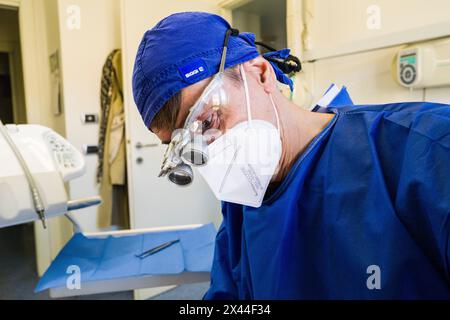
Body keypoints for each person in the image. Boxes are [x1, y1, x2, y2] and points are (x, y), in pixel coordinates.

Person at [132, 12, 450, 299]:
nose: (211, 152)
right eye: (189, 148)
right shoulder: (242, 206)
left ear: (259, 74)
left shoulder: (426, 149)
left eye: (208, 122)